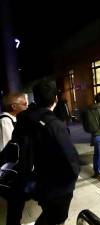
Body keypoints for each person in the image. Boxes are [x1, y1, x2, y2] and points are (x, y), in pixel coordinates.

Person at [13, 80, 80, 225]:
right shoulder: (54, 125)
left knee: (48, 214)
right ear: (55, 98)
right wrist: (73, 177)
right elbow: (71, 159)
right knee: (57, 219)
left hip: (36, 181)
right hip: (57, 187)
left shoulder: (24, 119)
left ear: (35, 99)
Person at [0, 93, 28, 225]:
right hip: (11, 174)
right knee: (15, 205)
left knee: (17, 205)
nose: (26, 106)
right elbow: (9, 151)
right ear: (13, 106)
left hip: (14, 172)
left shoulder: (14, 119)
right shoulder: (5, 121)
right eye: (24, 104)